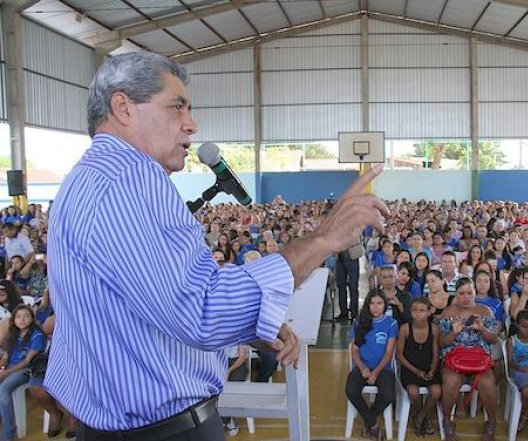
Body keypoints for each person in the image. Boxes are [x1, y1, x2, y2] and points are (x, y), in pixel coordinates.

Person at [46, 52, 388, 440]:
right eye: (177, 107)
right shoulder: (128, 183)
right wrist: (323, 238)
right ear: (122, 107)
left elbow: (140, 311)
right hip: (162, 431)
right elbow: (203, 313)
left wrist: (249, 323)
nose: (191, 125)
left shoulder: (89, 178)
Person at [438, 278, 499, 441]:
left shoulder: (485, 311)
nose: (466, 296)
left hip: (479, 361)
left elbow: (493, 339)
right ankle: (447, 421)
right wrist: (454, 333)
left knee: (488, 383)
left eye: (469, 293)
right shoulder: (448, 312)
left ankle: (491, 422)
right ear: (456, 295)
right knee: (450, 382)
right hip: (454, 360)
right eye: (461, 293)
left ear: (474, 293)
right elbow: (441, 342)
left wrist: (482, 329)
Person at [346, 289, 398, 441]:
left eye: (379, 303)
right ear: (368, 305)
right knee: (350, 390)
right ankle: (374, 424)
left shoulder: (391, 323)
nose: (375, 307)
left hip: (383, 369)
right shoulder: (358, 321)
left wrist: (375, 372)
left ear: (385, 305)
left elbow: (389, 352)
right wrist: (362, 368)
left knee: (388, 394)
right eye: (372, 303)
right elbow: (354, 349)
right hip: (362, 367)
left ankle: (369, 419)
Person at [396, 297, 441, 436]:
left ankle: (420, 417)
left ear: (429, 312)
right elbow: (399, 355)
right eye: (414, 310)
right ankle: (422, 416)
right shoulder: (405, 329)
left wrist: (432, 370)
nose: (418, 313)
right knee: (413, 392)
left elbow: (435, 354)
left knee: (436, 392)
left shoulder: (434, 329)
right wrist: (416, 372)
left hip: (428, 368)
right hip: (410, 369)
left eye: (422, 310)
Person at [0, 305, 45, 441]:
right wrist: (2, 367)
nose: (22, 319)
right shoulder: (12, 335)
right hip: (9, 369)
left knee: (3, 389)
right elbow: (5, 357)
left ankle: (8, 432)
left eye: (26, 316)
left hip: (25, 370)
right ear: (13, 320)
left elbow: (27, 362)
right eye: (18, 316)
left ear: (32, 318)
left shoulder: (37, 335)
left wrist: (5, 373)